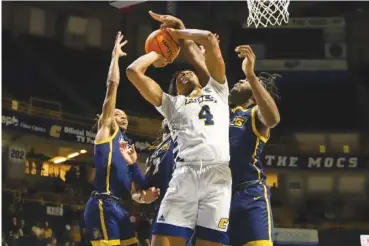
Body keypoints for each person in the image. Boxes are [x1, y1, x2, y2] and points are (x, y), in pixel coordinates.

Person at [126, 12, 232, 246]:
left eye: (189, 71)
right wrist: (158, 52)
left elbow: (208, 39)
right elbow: (133, 72)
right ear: (174, 88)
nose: (184, 73)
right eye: (178, 76)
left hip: (218, 175)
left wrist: (178, 31)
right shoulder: (172, 105)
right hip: (184, 175)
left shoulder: (217, 90)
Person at [84, 31, 159, 246]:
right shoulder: (107, 131)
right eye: (117, 113)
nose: (122, 114)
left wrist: (143, 196)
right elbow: (111, 87)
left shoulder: (127, 144)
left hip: (122, 207)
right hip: (103, 204)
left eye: (124, 114)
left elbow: (135, 192)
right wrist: (115, 57)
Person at [227, 45, 280, 246]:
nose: (237, 82)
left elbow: (273, 119)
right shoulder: (223, 114)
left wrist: (250, 75)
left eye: (242, 82)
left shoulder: (254, 113)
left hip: (250, 194)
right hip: (219, 195)